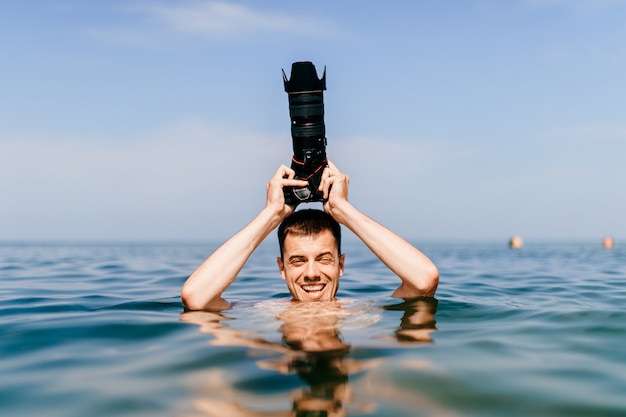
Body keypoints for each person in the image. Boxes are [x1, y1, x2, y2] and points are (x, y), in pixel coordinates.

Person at [181, 161, 439, 311]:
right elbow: (196, 298)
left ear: (341, 265)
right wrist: (271, 215)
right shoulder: (264, 313)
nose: (312, 273)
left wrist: (343, 210)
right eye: (298, 260)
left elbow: (424, 279)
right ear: (281, 268)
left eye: (324, 259)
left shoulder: (361, 312)